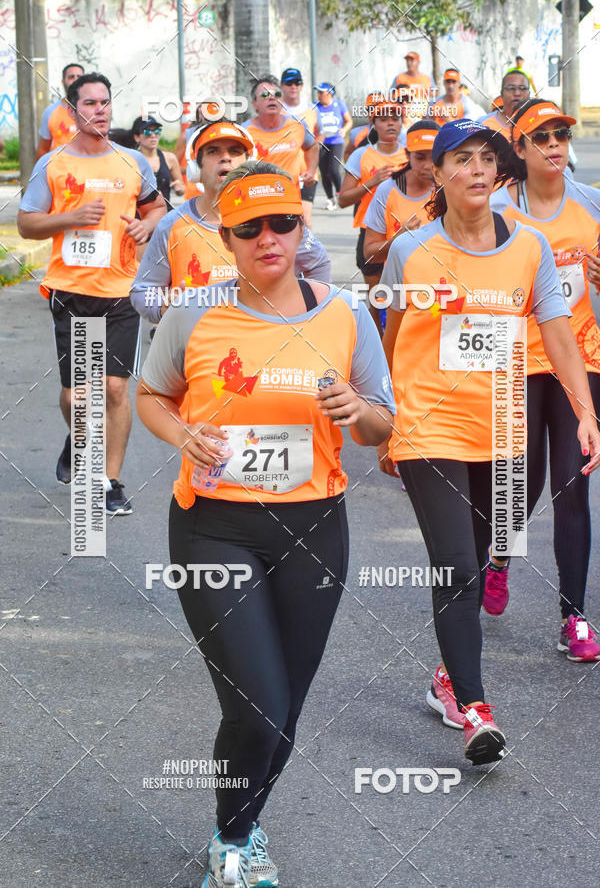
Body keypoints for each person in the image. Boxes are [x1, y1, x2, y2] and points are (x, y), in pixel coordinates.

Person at [136, 159, 395, 888]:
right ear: (227, 236)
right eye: (248, 227)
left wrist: (358, 411)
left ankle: (242, 823)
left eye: (281, 221)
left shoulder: (343, 314)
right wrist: (181, 432)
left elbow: (381, 423)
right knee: (258, 701)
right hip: (213, 528)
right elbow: (155, 394)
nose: (267, 237)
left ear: (300, 225)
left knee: (283, 711)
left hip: (314, 529)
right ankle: (232, 837)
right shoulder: (194, 312)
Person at [378, 119, 600, 764]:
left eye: (486, 159)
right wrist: (384, 423)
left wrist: (584, 410)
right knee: (454, 565)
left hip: (501, 427)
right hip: (429, 427)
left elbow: (558, 331)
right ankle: (476, 710)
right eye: (461, 159)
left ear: (500, 173)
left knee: (478, 562)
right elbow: (389, 341)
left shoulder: (529, 247)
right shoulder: (410, 250)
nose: (476, 169)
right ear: (438, 173)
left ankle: (446, 677)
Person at [17, 72, 166, 514]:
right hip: (72, 289)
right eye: (91, 103)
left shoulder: (131, 161)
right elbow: (27, 223)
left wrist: (147, 224)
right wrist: (71, 216)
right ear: (72, 110)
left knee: (115, 390)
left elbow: (157, 206)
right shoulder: (54, 164)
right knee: (76, 398)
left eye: (105, 102)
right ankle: (78, 437)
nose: (100, 110)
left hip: (122, 289)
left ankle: (109, 480)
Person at [486, 99, 600, 660]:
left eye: (561, 134)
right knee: (523, 481)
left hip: (581, 359)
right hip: (519, 360)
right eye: (542, 136)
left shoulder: (593, 205)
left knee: (572, 486)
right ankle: (500, 555)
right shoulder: (501, 211)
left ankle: (574, 619)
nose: (554, 143)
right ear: (522, 148)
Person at [130, 119, 331, 324]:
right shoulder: (172, 225)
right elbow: (142, 291)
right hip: (196, 349)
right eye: (213, 152)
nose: (225, 158)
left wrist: (309, 316)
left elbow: (318, 263)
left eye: (235, 151)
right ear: (195, 168)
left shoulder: (279, 218)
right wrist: (162, 307)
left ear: (248, 162)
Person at [339, 99, 408, 331]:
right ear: (373, 123)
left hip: (407, 232)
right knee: (378, 298)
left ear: (402, 122)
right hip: (372, 234)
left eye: (395, 119)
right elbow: (343, 199)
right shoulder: (361, 155)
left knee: (408, 299)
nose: (390, 124)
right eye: (384, 119)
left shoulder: (411, 155)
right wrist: (372, 182)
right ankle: (375, 345)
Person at [363, 120, 439, 264]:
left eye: (434, 157)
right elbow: (370, 254)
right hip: (401, 281)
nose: (428, 165)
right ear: (407, 155)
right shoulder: (388, 190)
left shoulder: (451, 189)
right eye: (420, 157)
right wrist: (398, 240)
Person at [243, 74, 319, 196]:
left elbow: (312, 146)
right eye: (265, 95)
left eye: (277, 95)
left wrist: (311, 171)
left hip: (291, 203)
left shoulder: (297, 125)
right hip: (259, 203)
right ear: (254, 103)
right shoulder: (245, 132)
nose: (272, 98)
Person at [280, 67, 322, 227]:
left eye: (297, 83)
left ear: (302, 86)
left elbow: (320, 133)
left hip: (306, 173)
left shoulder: (312, 109)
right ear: (282, 86)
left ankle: (307, 251)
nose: (293, 87)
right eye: (289, 83)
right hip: (284, 174)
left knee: (305, 221)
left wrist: (313, 166)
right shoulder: (277, 110)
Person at [313, 82, 352, 210]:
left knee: (334, 170)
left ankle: (341, 194)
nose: (318, 95)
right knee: (324, 172)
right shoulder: (315, 108)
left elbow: (349, 121)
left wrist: (344, 130)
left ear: (330, 93)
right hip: (321, 142)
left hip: (336, 141)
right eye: (317, 92)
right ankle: (330, 199)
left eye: (321, 93)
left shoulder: (339, 104)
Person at [132, 116, 184, 209]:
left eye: (157, 131)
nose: (153, 135)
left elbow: (181, 188)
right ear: (137, 137)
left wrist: (179, 188)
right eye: (147, 132)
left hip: (165, 217)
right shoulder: (131, 160)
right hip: (142, 217)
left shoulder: (170, 158)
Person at [36, 62, 84, 159]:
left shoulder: (93, 111)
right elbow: (43, 149)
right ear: (63, 81)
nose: (75, 80)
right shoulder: (50, 112)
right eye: (71, 77)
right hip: (60, 171)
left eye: (79, 77)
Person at [478, 70, 531, 139]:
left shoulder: (539, 122)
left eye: (522, 88)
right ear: (502, 93)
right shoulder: (483, 125)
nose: (517, 93)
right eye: (511, 88)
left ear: (529, 94)